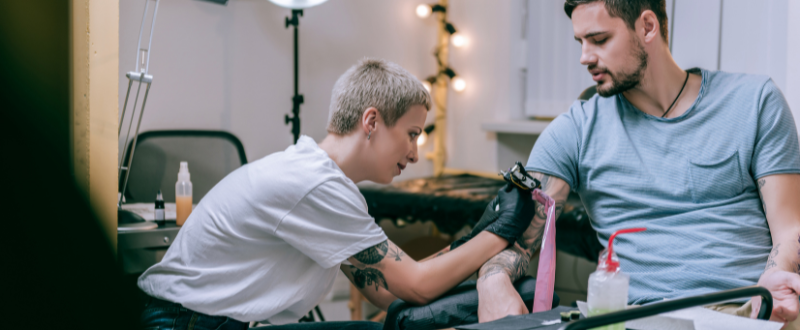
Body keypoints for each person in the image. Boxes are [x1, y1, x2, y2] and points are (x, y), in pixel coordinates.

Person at [137, 58, 536, 330]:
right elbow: (415, 284)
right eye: (412, 134)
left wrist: (476, 243)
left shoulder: (323, 180)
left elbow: (383, 290)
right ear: (372, 121)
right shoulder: (315, 185)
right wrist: (498, 231)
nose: (415, 153)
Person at [470, 0, 800, 328]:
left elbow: (788, 228)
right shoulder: (576, 129)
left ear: (647, 27)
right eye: (580, 42)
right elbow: (512, 232)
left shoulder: (754, 101)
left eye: (599, 40)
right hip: (635, 318)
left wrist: (774, 280)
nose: (585, 57)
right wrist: (492, 281)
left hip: (746, 310)